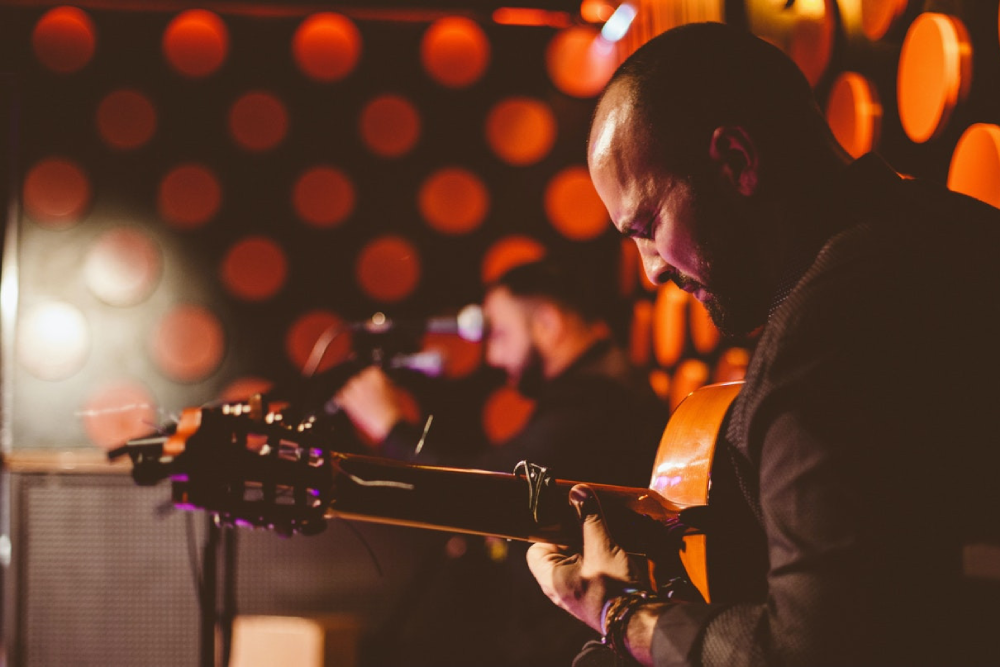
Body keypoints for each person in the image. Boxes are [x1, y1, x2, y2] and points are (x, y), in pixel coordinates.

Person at [526, 21, 1000, 667]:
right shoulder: (966, 228)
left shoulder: (824, 339)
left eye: (647, 224)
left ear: (737, 162)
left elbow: (818, 650)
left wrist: (622, 612)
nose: (651, 270)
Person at [336, 258, 669, 666]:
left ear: (547, 322)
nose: (492, 356)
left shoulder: (598, 402)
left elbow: (484, 489)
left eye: (499, 334)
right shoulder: (595, 388)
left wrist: (391, 431)